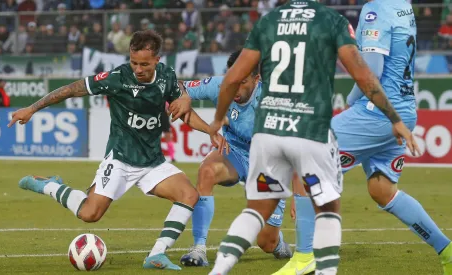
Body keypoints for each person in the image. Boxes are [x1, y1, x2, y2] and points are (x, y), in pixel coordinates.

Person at [206, 0, 419, 274]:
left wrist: (217, 119)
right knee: (319, 193)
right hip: (306, 122)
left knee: (259, 211)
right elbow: (367, 77)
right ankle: (312, 257)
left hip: (271, 128)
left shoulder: (266, 27)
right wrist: (394, 118)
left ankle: (233, 266)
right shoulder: (331, 23)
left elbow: (232, 78)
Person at [8, 30, 225, 271]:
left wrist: (209, 130)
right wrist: (32, 108)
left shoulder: (167, 76)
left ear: (157, 60)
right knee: (90, 214)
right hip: (120, 160)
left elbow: (183, 112)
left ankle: (157, 254)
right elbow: (72, 89)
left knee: (189, 195)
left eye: (144, 64)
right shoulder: (117, 78)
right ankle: (49, 185)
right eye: (134, 62)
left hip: (152, 162)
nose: (138, 69)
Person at [331, 0, 452, 273]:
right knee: (382, 190)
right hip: (405, 109)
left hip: (378, 111)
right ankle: (447, 251)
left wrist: (351, 100)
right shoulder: (402, 6)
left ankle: (304, 257)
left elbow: (371, 70)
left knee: (311, 156)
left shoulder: (376, 9)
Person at [178, 50, 298, 268]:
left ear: (256, 78)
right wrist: (184, 97)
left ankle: (277, 242)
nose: (235, 88)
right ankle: (199, 249)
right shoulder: (220, 85)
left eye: (242, 82)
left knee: (266, 242)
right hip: (236, 153)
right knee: (207, 171)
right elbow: (178, 87)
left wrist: (300, 195)